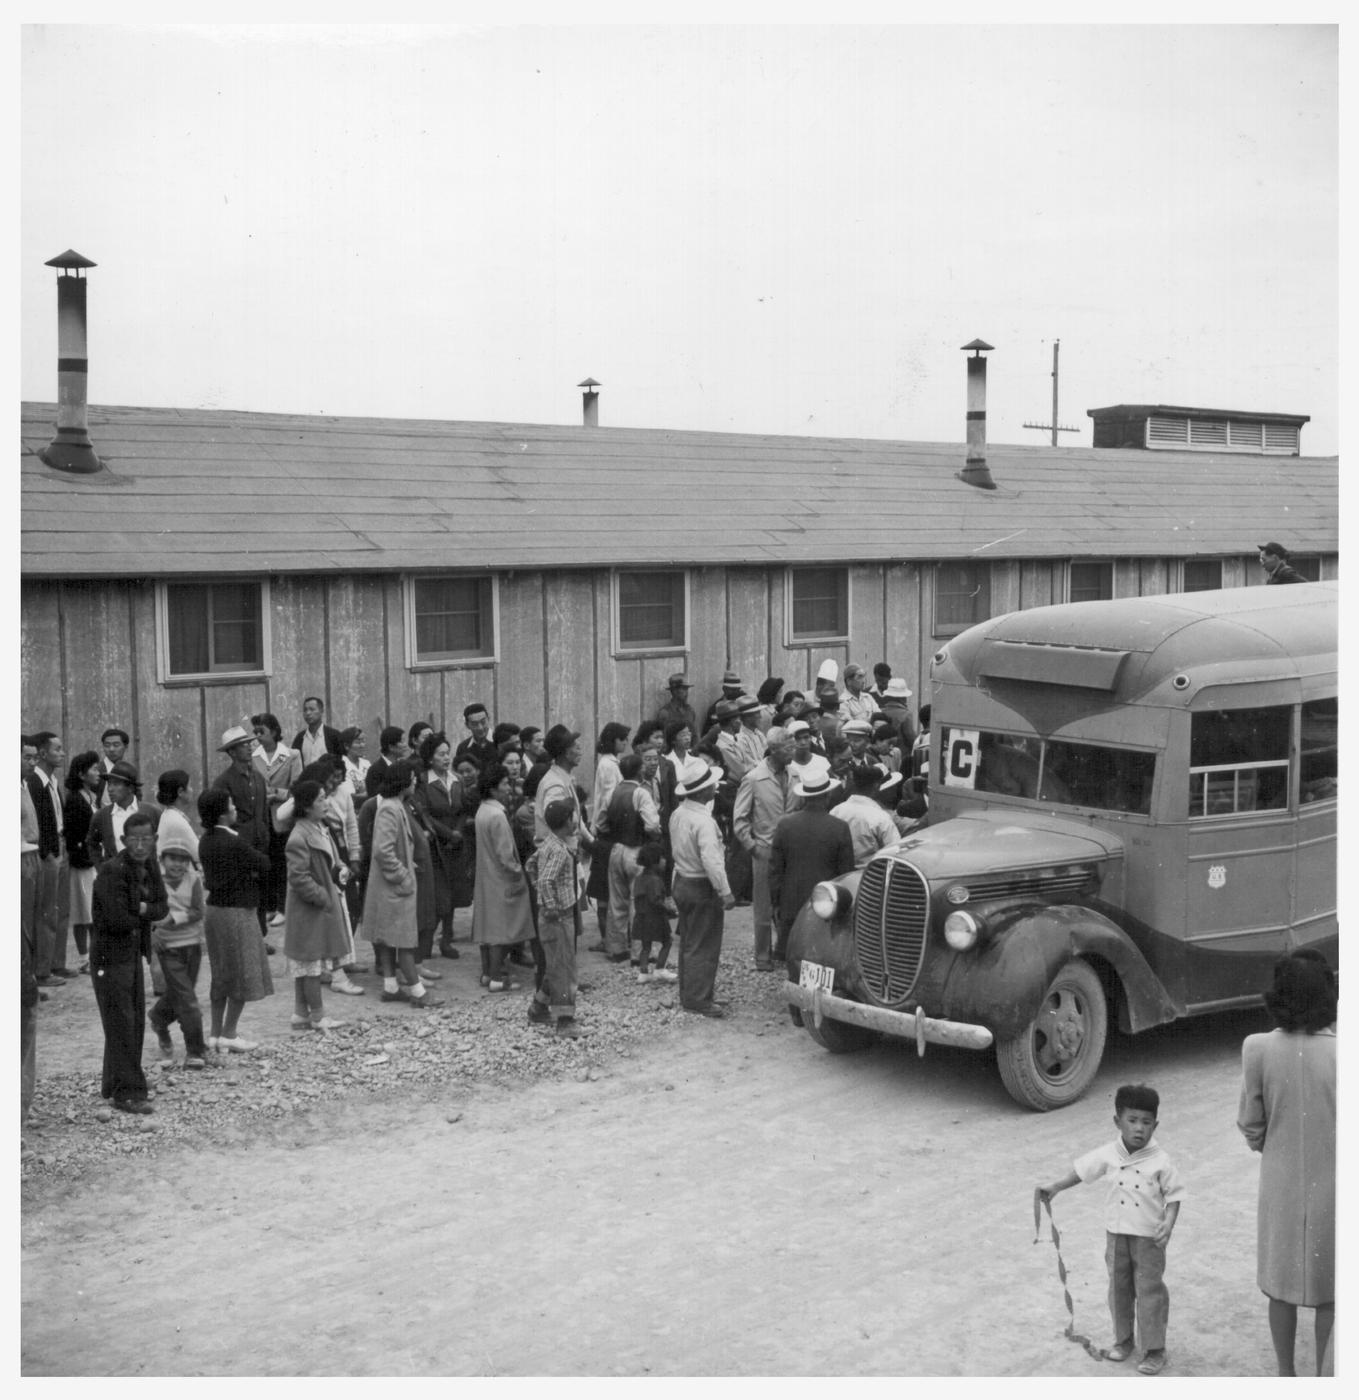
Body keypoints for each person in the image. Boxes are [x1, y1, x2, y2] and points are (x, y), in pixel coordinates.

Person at [1038, 1084, 1186, 1376]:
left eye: (1146, 1122)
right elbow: (1081, 1171)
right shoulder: (1108, 1154)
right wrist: (1055, 1186)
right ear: (1118, 1121)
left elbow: (1175, 1196)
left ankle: (1154, 1349)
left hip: (1149, 1238)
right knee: (1118, 1289)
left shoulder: (1161, 1161)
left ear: (1155, 1125)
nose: (1139, 1128)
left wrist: (1168, 1224)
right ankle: (1123, 1340)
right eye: (1132, 1120)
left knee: (1149, 1290)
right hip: (1116, 1235)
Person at [1237, 952, 1336, 1376]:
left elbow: (1250, 1124)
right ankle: (1325, 1375)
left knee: (1279, 1285)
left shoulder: (1257, 1048)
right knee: (1333, 1289)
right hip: (1336, 1184)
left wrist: (1273, 1145)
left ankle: (1285, 1374)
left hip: (1280, 1180)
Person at [88, 811, 166, 1113]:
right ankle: (128, 1093)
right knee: (122, 1023)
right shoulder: (112, 870)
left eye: (146, 839)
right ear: (123, 840)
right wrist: (145, 908)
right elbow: (117, 918)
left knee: (130, 1021)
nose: (140, 846)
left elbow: (162, 907)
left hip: (131, 953)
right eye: (134, 840)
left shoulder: (150, 865)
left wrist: (140, 908)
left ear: (154, 839)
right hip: (109, 956)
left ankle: (114, 1084)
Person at [197, 786, 274, 1053]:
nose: (234, 809)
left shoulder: (205, 840)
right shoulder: (235, 841)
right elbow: (263, 864)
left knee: (220, 974)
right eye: (230, 805)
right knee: (241, 973)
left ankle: (214, 1034)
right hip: (238, 911)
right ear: (222, 814)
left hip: (215, 911)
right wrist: (250, 874)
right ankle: (229, 1032)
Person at [364, 761, 443, 1009]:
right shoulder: (390, 809)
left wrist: (407, 864)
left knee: (388, 939)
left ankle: (390, 987)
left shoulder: (394, 806)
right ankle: (418, 992)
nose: (415, 781)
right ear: (402, 782)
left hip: (389, 887)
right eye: (411, 777)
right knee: (404, 941)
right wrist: (404, 875)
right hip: (394, 887)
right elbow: (383, 851)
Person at [283, 778, 353, 1031]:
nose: (326, 804)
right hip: (308, 911)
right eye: (321, 799)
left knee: (307, 965)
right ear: (306, 806)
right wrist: (323, 896)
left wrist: (341, 869)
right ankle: (318, 1016)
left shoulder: (319, 828)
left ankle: (301, 1013)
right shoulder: (299, 836)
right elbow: (299, 878)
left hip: (316, 908)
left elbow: (331, 860)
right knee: (310, 967)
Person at [668, 763, 735, 1018]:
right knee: (704, 944)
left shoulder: (678, 814)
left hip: (682, 880)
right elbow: (712, 861)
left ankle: (691, 993)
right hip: (700, 885)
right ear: (701, 791)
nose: (714, 788)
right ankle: (698, 998)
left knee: (689, 940)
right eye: (711, 785)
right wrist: (725, 891)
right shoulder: (704, 821)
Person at [732, 726, 801, 971]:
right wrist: (752, 847)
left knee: (789, 902)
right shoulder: (753, 779)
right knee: (763, 906)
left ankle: (785, 950)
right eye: (788, 748)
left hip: (791, 850)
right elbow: (740, 818)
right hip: (765, 848)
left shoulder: (795, 775)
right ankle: (763, 956)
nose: (793, 752)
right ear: (773, 750)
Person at [768, 772, 855, 957]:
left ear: (804, 797)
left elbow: (775, 870)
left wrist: (776, 902)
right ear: (828, 795)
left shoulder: (785, 825)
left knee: (793, 955)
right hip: (825, 904)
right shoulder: (839, 827)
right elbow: (846, 873)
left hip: (791, 902)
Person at [472, 763, 535, 991]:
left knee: (488, 928)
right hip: (502, 878)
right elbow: (506, 855)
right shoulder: (497, 815)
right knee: (502, 930)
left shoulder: (482, 810)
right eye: (505, 784)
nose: (509, 788)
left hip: (487, 876)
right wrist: (519, 874)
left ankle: (488, 973)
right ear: (493, 788)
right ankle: (497, 978)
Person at [147, 834, 207, 1069]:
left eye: (183, 860)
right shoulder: (154, 882)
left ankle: (158, 1017)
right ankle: (196, 1051)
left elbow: (198, 911)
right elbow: (147, 913)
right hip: (168, 947)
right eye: (173, 858)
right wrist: (153, 935)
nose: (178, 864)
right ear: (163, 859)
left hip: (192, 945)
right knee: (188, 1001)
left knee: (181, 993)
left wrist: (174, 918)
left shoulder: (193, 879)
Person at [211, 725, 274, 943]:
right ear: (231, 752)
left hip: (260, 843)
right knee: (244, 892)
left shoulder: (257, 777)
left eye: (249, 744)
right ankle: (247, 939)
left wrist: (265, 832)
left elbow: (264, 811)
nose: (248, 748)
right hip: (239, 846)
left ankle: (260, 937)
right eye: (242, 746)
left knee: (261, 890)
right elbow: (221, 818)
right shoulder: (223, 782)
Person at [527, 798, 583, 1037]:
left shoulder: (548, 843)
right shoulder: (560, 850)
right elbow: (546, 880)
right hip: (559, 917)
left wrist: (540, 894)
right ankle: (565, 1020)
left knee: (555, 965)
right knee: (564, 970)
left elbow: (531, 865)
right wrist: (551, 906)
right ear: (566, 822)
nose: (576, 820)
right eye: (573, 816)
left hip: (552, 917)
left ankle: (539, 1007)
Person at [600, 752, 662, 963]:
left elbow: (600, 823)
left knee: (617, 902)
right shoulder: (641, 793)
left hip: (616, 849)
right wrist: (655, 835)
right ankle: (640, 952)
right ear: (639, 770)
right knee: (639, 902)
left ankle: (616, 949)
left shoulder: (612, 792)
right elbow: (652, 825)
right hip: (636, 850)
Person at [27, 730, 70, 986]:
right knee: (46, 912)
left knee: (60, 909)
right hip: (49, 852)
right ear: (43, 753)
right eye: (57, 749)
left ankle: (57, 963)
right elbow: (37, 823)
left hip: (60, 846)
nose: (62, 754)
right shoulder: (34, 782)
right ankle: (42, 970)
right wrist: (48, 852)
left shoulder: (52, 781)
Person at [251, 712, 299, 928]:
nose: (258, 736)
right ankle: (270, 906)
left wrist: (277, 794)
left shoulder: (291, 755)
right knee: (267, 862)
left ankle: (283, 907)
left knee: (283, 863)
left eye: (262, 731)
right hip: (262, 817)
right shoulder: (253, 756)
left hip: (283, 817)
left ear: (274, 731)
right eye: (255, 732)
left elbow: (297, 787)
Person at [587, 722, 632, 950]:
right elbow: (607, 800)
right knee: (604, 889)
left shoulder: (612, 763)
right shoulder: (607, 765)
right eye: (622, 739)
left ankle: (614, 937)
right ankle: (607, 938)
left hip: (608, 832)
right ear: (613, 740)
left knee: (610, 888)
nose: (625, 743)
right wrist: (605, 828)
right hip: (607, 833)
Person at [63, 749, 104, 975]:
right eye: (94, 769)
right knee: (83, 912)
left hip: (93, 862)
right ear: (81, 774)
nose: (98, 773)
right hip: (82, 865)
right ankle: (84, 958)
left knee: (93, 911)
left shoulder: (91, 797)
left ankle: (95, 955)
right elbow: (73, 836)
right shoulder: (74, 800)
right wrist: (85, 858)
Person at [830, 765, 900, 866]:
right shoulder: (880, 817)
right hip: (871, 872)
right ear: (876, 785)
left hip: (842, 872)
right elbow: (896, 851)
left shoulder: (835, 811)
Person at [631, 841, 676, 985]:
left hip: (641, 917)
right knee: (667, 941)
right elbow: (656, 901)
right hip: (655, 918)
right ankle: (660, 968)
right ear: (655, 861)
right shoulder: (655, 880)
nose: (665, 861)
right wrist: (670, 910)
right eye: (662, 858)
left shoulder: (639, 878)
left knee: (646, 946)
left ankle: (643, 973)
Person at [154, 770, 200, 866]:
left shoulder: (169, 815)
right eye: (189, 786)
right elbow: (199, 854)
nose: (192, 790)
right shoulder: (176, 821)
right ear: (180, 792)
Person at [292, 695, 344, 764]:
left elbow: (341, 761)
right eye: (305, 710)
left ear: (321, 711)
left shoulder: (334, 736)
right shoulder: (299, 738)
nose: (308, 713)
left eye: (312, 709)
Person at [365, 725, 409, 799]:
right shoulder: (375, 771)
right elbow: (375, 798)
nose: (405, 745)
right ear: (391, 747)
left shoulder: (403, 766)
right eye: (402, 742)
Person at [454, 702, 497, 770]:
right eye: (475, 724)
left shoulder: (500, 742)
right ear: (467, 725)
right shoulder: (463, 748)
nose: (480, 728)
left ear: (488, 719)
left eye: (483, 722)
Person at [96, 727, 132, 807]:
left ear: (126, 747)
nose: (111, 749)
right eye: (107, 745)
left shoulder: (129, 770)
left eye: (116, 745)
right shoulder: (97, 771)